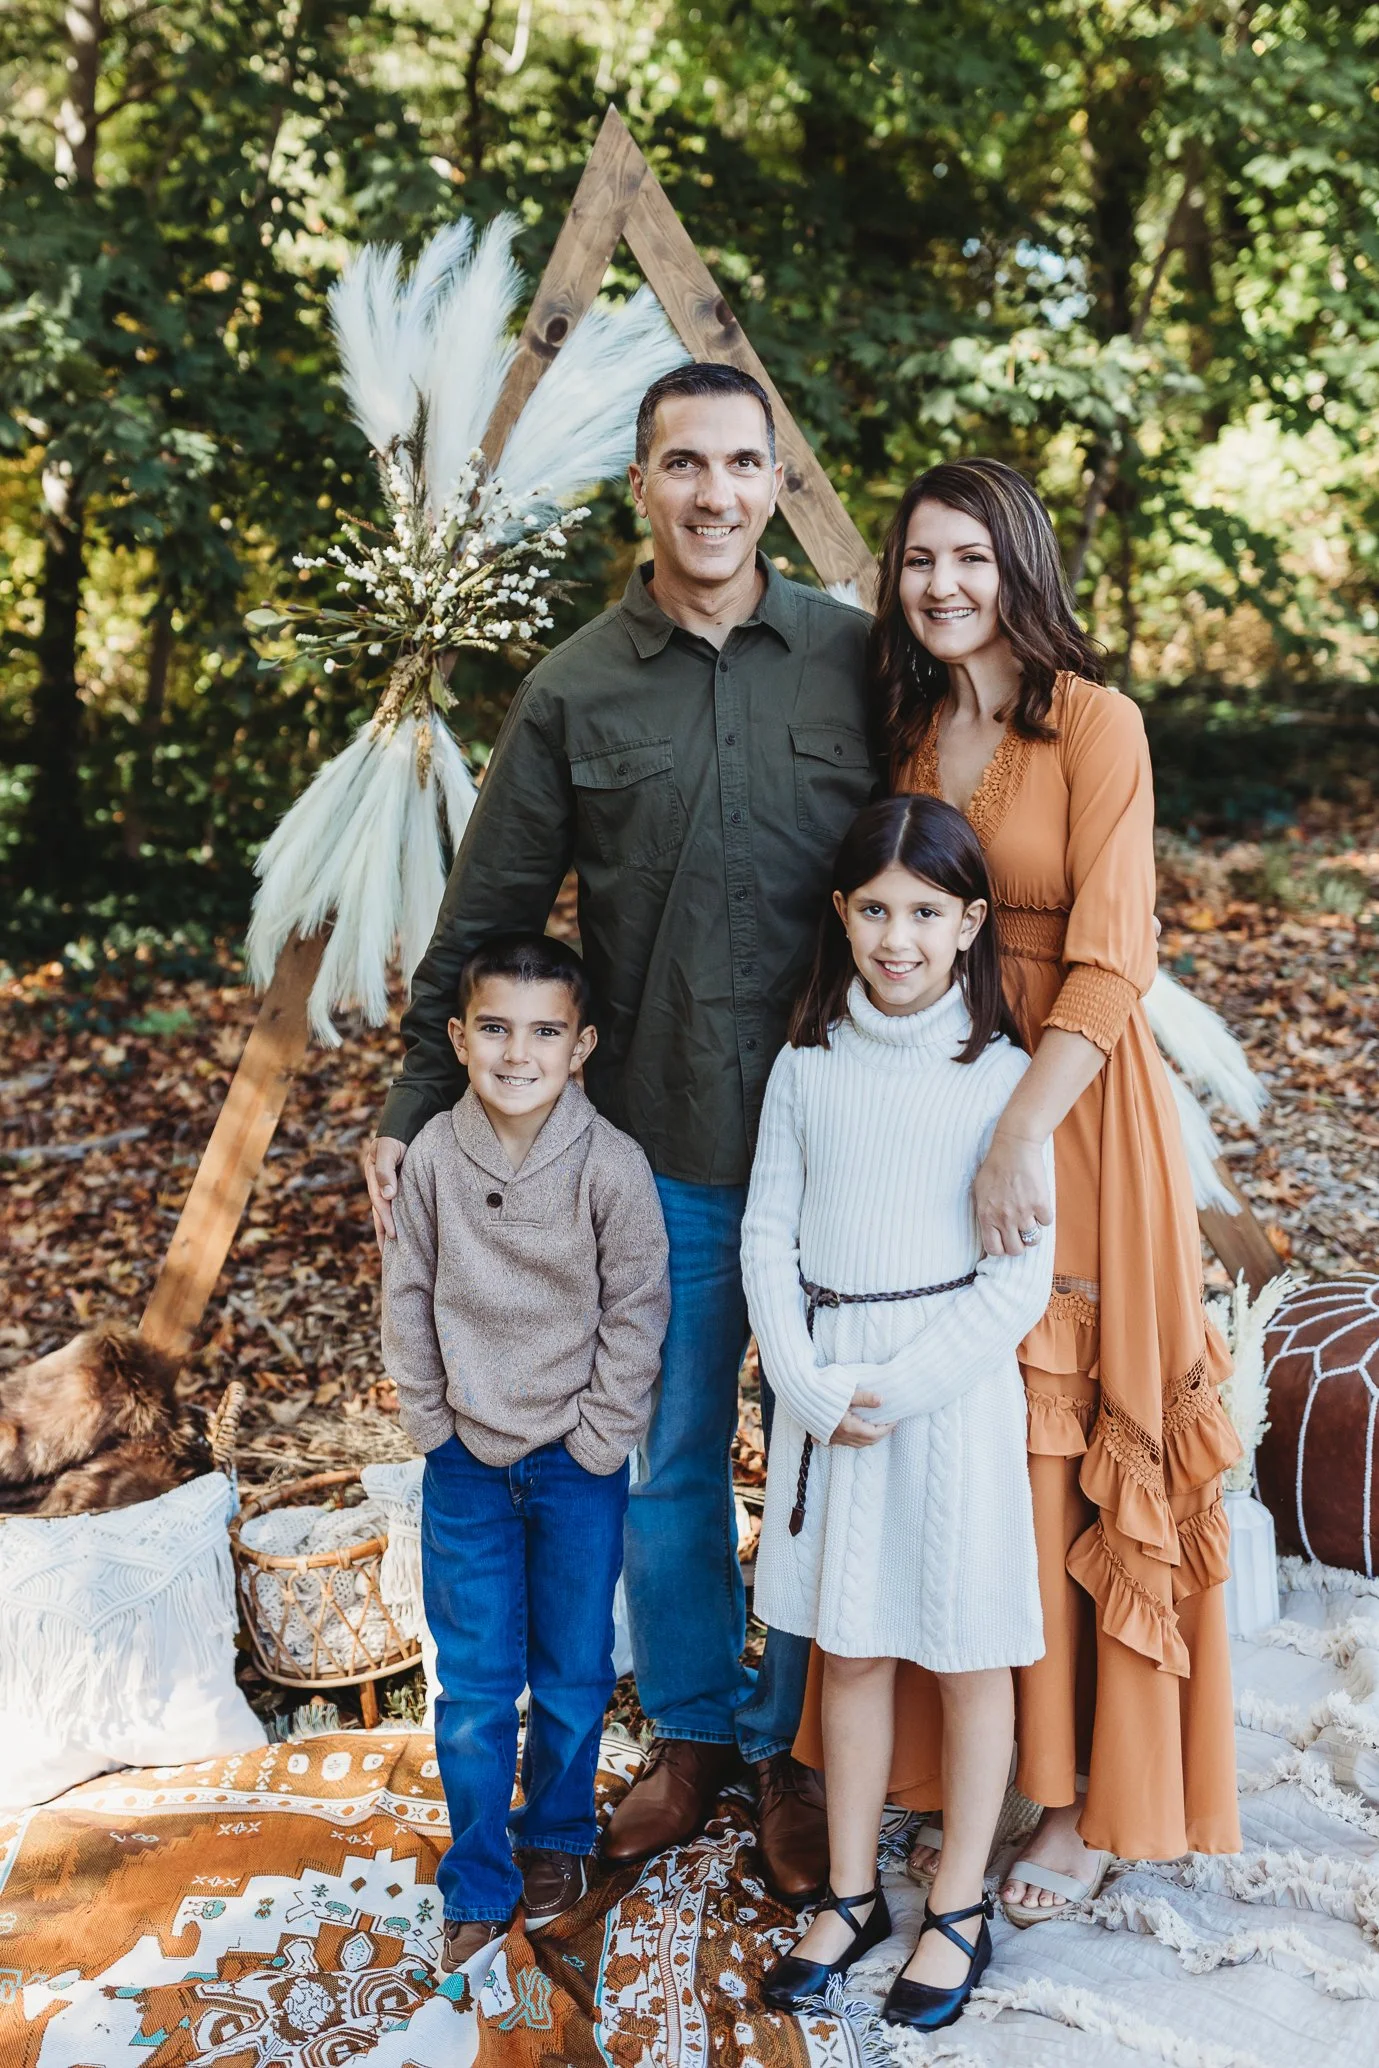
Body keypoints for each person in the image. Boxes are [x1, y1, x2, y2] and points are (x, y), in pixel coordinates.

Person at [365, 362, 879, 1899]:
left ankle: (794, 1756)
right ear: (642, 485)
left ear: (775, 480)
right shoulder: (577, 688)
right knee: (660, 1460)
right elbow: (491, 917)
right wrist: (408, 1103)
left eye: (741, 463)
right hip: (652, 1145)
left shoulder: (857, 664)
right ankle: (698, 1739)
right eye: (682, 465)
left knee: (813, 1459)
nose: (714, 493)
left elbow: (946, 870)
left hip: (837, 1146)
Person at [805, 456, 1240, 1917]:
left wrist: (1017, 1134)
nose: (940, 586)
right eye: (918, 562)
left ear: (1018, 569)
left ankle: (1077, 1805)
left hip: (1075, 1102)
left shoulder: (1094, 723)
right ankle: (974, 1774)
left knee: (1076, 1430)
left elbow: (1113, 950)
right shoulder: (912, 726)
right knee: (981, 1440)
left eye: (967, 560)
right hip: (948, 1093)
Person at [742, 796, 1054, 2031]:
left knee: (971, 1652)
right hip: (829, 1388)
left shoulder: (1004, 1077)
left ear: (969, 922)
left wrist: (901, 1387)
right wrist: (809, 1383)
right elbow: (768, 1231)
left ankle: (960, 1901)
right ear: (842, 914)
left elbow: (1017, 1275)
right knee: (851, 1648)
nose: (897, 937)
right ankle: (855, 1887)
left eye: (925, 912)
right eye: (874, 908)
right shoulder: (806, 1063)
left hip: (951, 1393)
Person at [380, 933, 671, 1972]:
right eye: (494, 1028)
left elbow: (636, 1308)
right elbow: (406, 1296)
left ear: (580, 1045)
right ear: (458, 1039)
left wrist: (598, 1436)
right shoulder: (432, 1164)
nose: (517, 1052)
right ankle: (476, 1873)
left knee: (572, 1671)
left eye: (543, 1031)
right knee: (471, 1684)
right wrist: (429, 1420)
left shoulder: (609, 1165)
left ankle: (552, 1833)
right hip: (462, 1457)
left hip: (573, 1460)